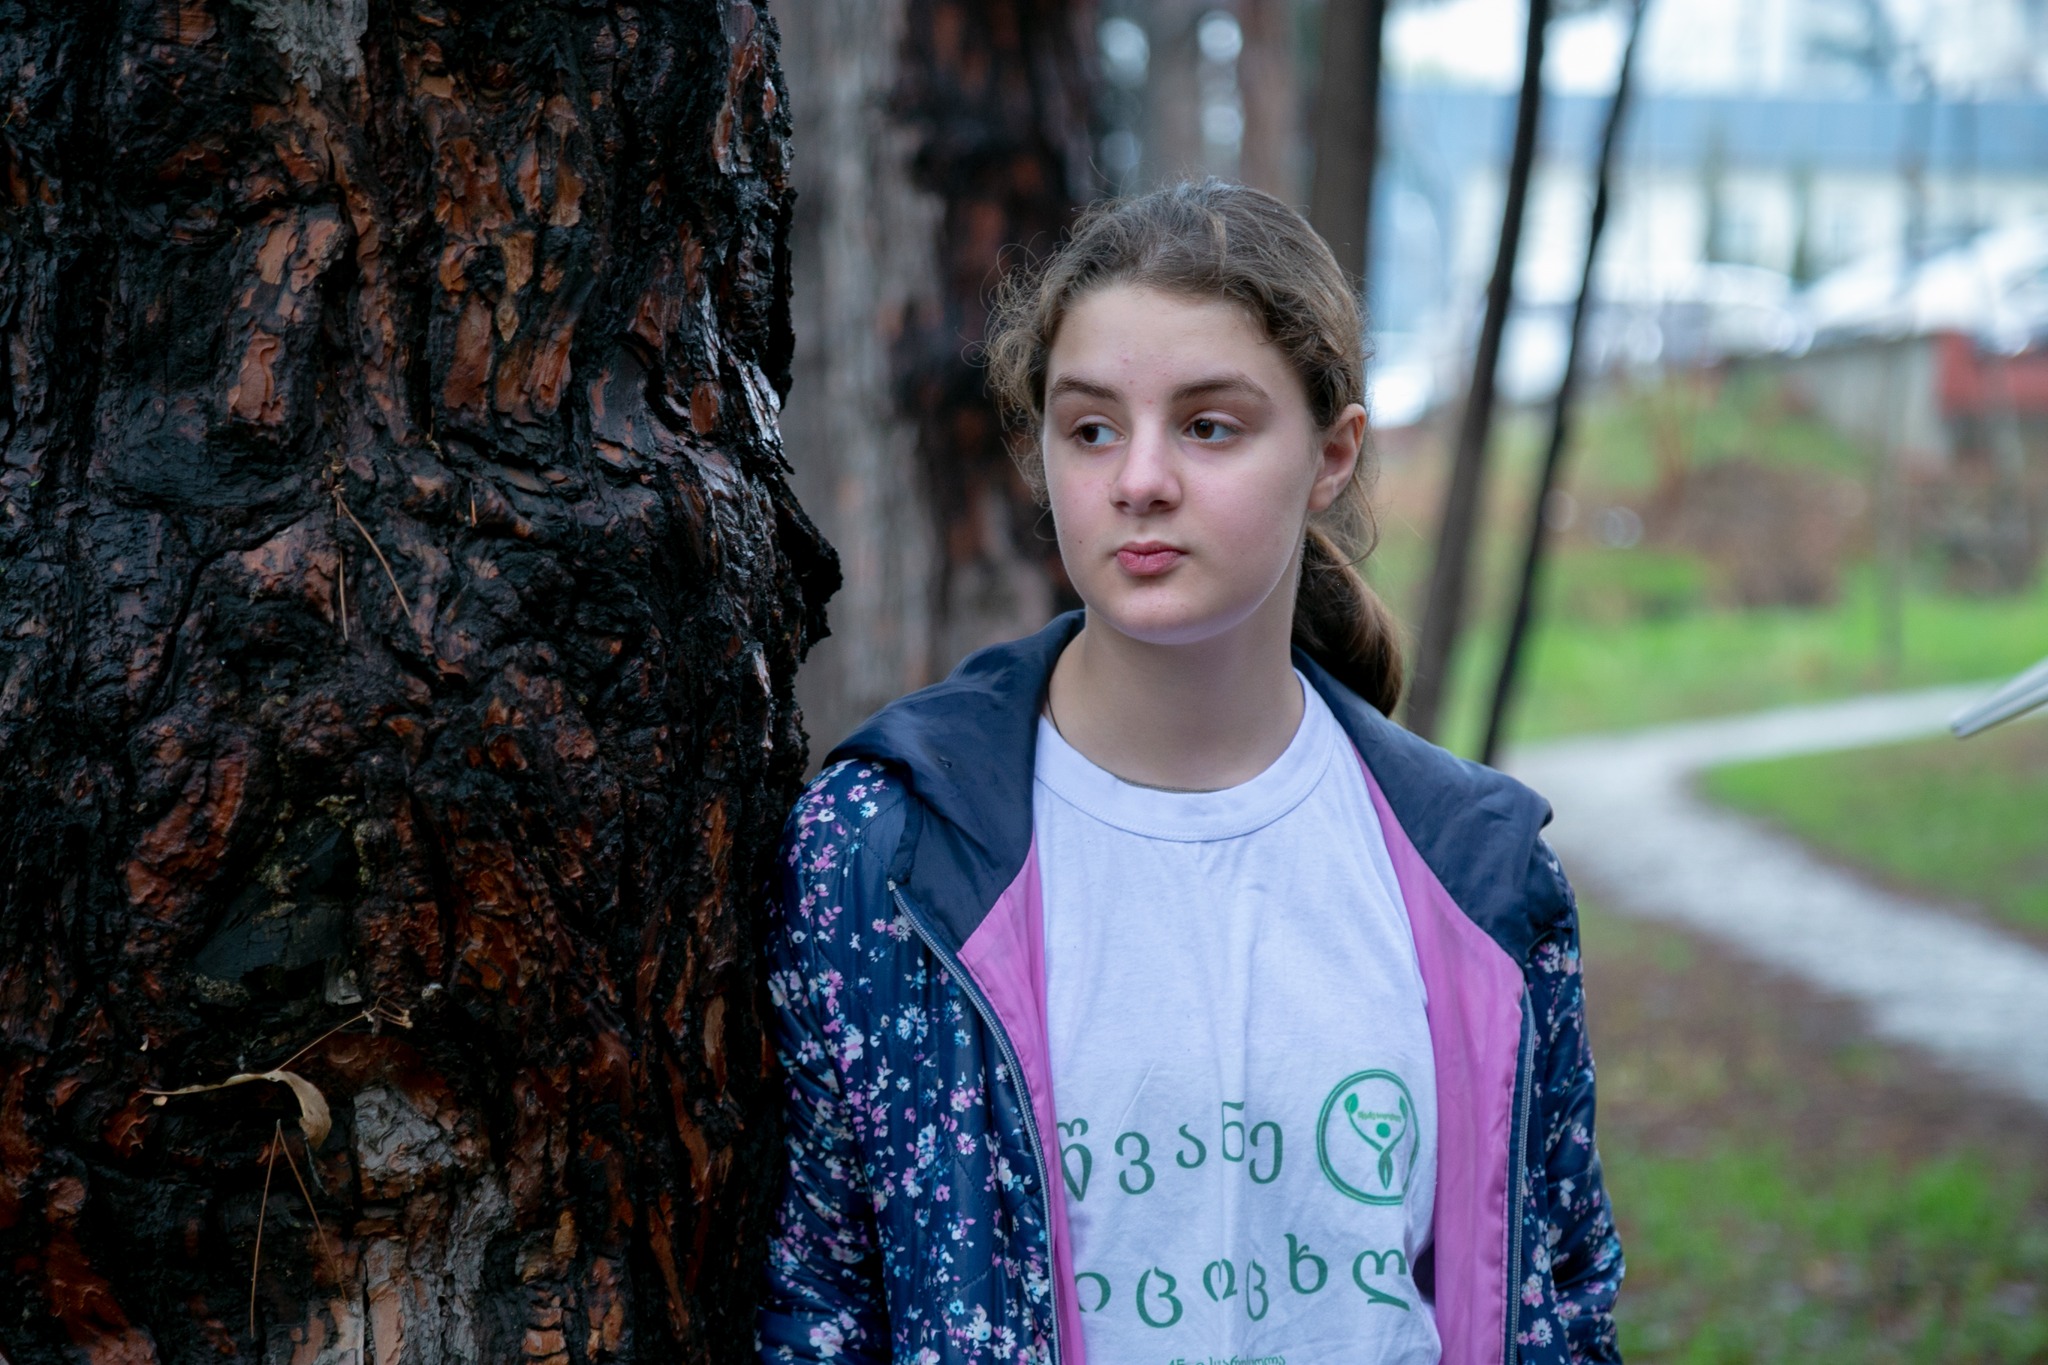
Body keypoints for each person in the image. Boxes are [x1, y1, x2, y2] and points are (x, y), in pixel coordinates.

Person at [756, 180, 1623, 1365]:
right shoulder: (886, 855)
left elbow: (1560, 1302)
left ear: (1330, 455)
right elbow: (818, 1306)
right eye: (1090, 429)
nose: (1139, 480)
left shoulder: (1481, 877)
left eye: (1208, 426)